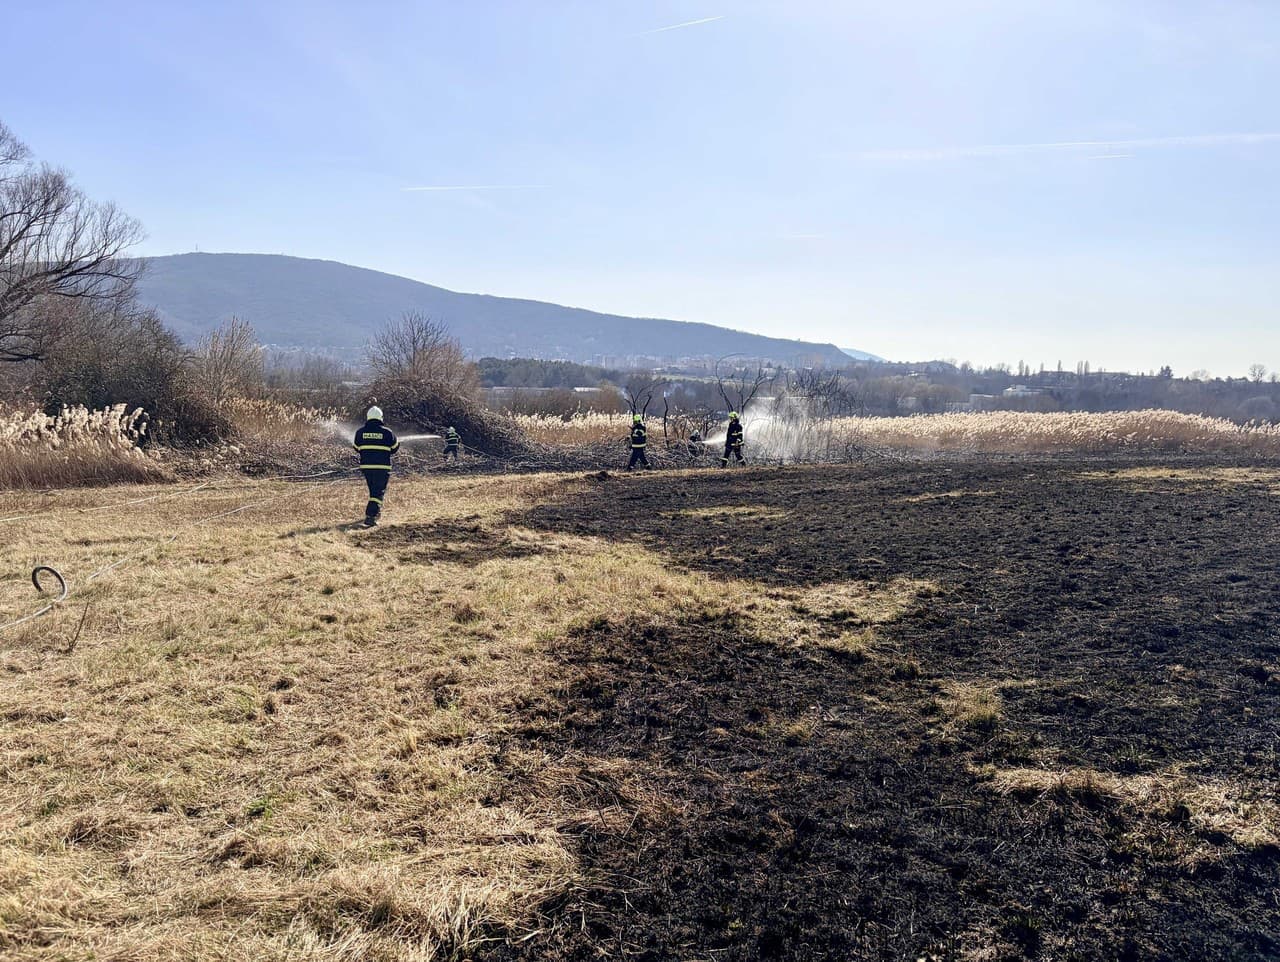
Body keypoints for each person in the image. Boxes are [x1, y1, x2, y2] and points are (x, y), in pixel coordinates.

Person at [353, 406, 399, 527]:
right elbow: (394, 448)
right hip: (382, 468)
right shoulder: (387, 432)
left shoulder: (360, 432)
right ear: (381, 417)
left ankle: (376, 512)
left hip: (367, 467)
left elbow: (357, 447)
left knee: (374, 491)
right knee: (378, 492)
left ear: (368, 417)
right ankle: (370, 516)